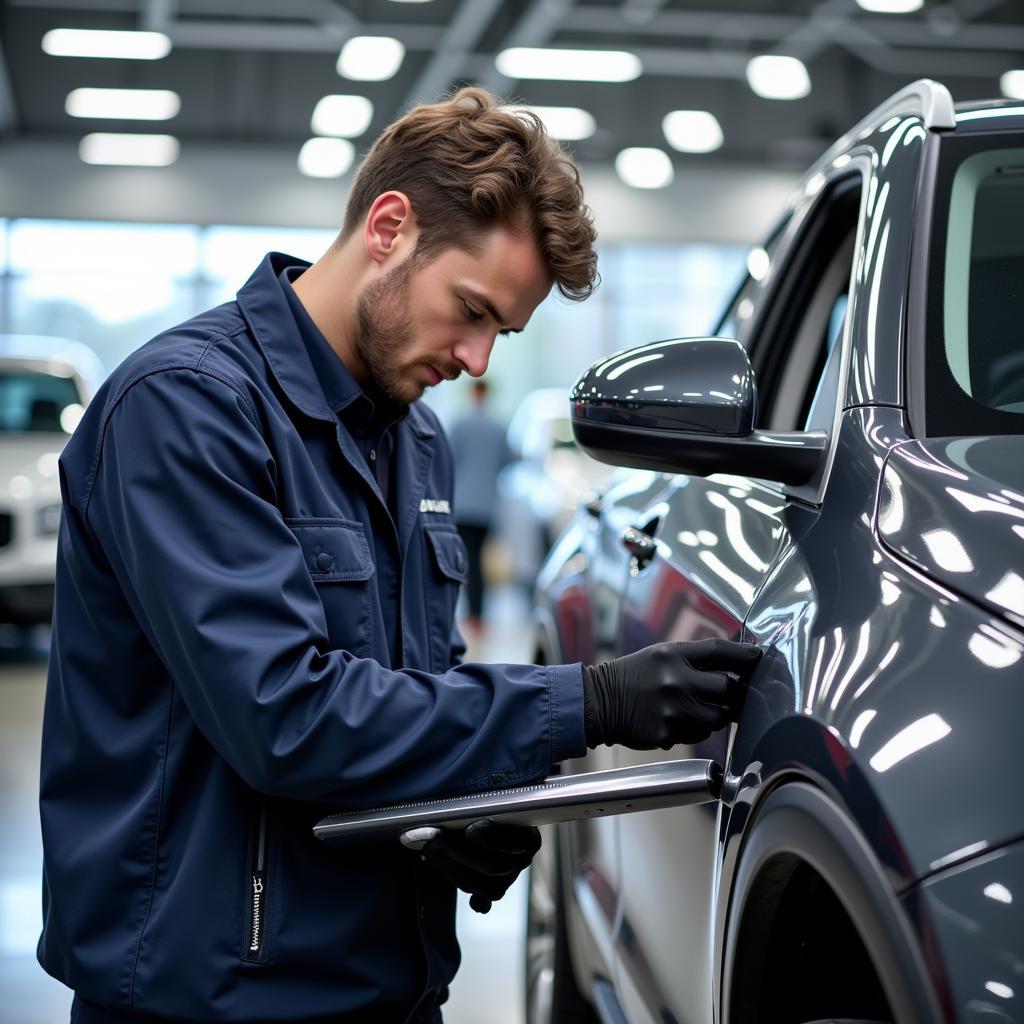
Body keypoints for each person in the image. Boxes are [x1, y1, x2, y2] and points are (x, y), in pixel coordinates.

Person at [37, 87, 762, 1024]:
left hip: (390, 987)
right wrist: (591, 700)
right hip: (216, 997)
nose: (478, 361)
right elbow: (286, 714)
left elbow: (413, 681)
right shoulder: (186, 410)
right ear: (388, 226)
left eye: (502, 331)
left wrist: (447, 817)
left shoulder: (417, 443)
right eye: (471, 309)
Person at [449, 379, 511, 633]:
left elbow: (448, 459)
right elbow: (505, 463)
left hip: (462, 505)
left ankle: (465, 614)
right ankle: (478, 615)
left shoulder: (459, 425)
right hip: (487, 505)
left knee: (462, 560)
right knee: (477, 561)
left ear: (472, 393)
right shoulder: (498, 428)